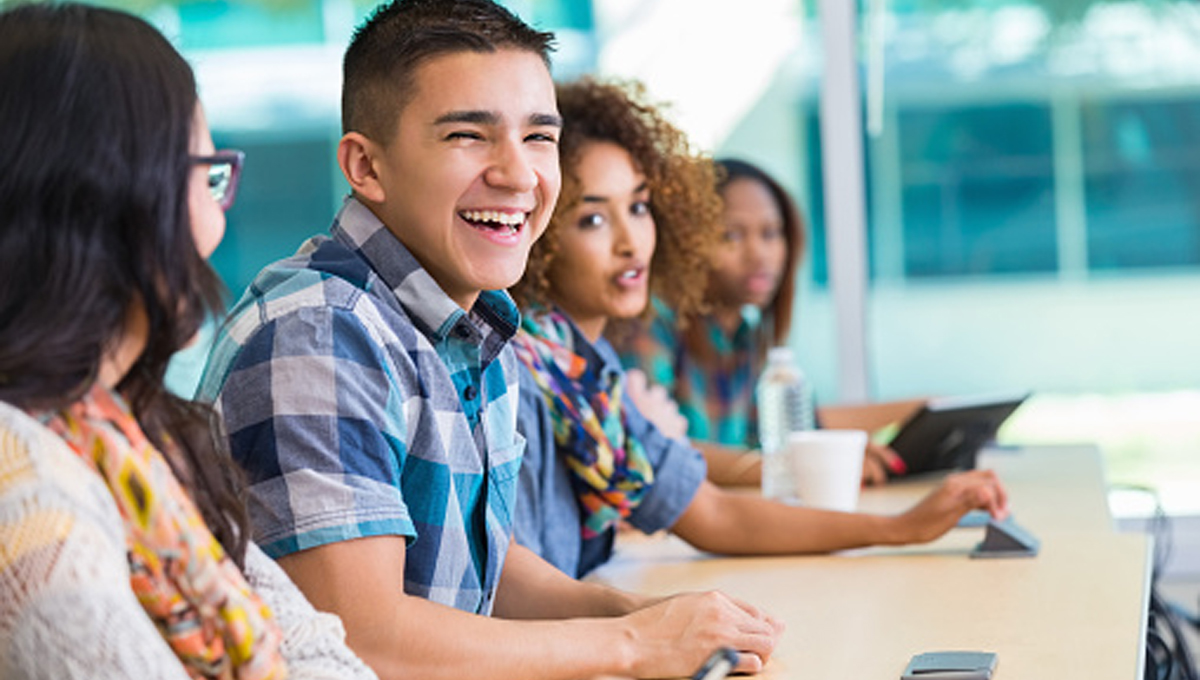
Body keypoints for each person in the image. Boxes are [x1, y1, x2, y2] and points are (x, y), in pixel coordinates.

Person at [197, 2, 780, 679]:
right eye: (469, 136)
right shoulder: (318, 335)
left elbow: (475, 565)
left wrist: (637, 616)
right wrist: (633, 645)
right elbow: (362, 637)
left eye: (539, 137)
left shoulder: (473, 322)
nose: (519, 175)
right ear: (366, 167)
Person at [0, 4, 376, 679]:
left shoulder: (138, 434)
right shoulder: (23, 478)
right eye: (205, 173)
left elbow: (319, 650)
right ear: (115, 193)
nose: (214, 228)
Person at [509, 77, 1010, 580]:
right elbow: (514, 596)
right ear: (538, 226)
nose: (631, 241)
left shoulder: (586, 375)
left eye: (639, 207)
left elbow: (716, 515)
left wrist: (903, 528)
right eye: (593, 220)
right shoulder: (520, 376)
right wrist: (641, 620)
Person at [614, 156, 920, 486]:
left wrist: (918, 410)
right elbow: (653, 448)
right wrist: (794, 471)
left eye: (771, 233)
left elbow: (804, 428)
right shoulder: (650, 320)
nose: (760, 254)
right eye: (731, 236)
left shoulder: (745, 334)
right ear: (687, 243)